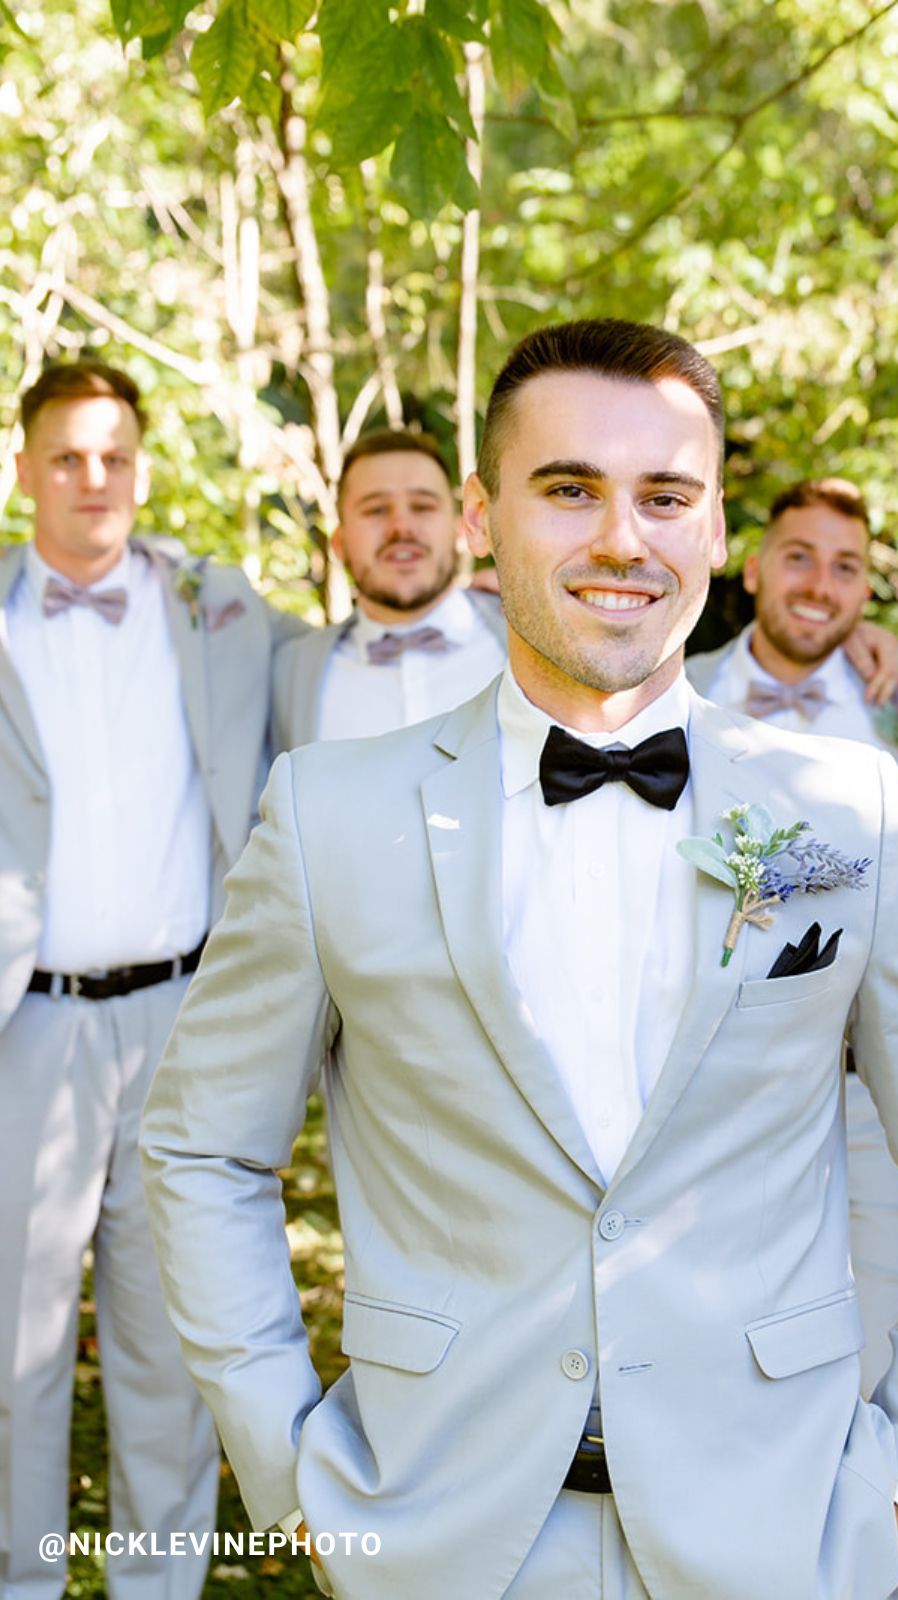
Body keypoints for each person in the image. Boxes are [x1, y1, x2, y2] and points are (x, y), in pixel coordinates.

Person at [141, 319, 898, 1600]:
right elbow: (202, 1148)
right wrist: (290, 1474)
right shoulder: (328, 811)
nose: (623, 537)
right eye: (569, 490)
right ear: (480, 518)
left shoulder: (844, 809)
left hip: (784, 1531)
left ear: (713, 527)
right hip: (442, 1538)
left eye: (663, 495)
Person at [0, 361, 301, 1599]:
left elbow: (376, 653)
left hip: (186, 1016)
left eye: (115, 455)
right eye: (67, 455)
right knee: (16, 1339)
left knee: (170, 1340)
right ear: (22, 470)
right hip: (29, 1025)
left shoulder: (216, 603)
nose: (94, 478)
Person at [688, 475, 898, 1367]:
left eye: (844, 568)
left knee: (877, 1301)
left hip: (875, 1066)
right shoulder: (675, 690)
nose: (818, 585)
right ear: (751, 568)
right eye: (797, 557)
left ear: (864, 591)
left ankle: (869, 1500)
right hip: (717, 1068)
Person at [271, 429, 507, 750]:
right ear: (340, 544)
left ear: (461, 529)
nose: (401, 527)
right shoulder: (290, 674)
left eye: (422, 506)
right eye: (376, 510)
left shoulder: (526, 635)